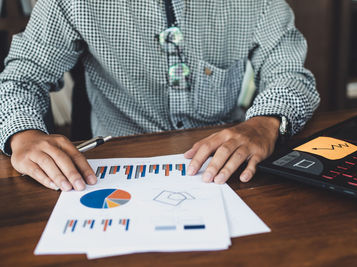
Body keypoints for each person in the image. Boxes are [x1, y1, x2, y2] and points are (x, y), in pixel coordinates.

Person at [0, 0, 320, 191]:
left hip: (227, 165)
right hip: (115, 169)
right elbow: (22, 77)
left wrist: (265, 122)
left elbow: (290, 73)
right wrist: (23, 134)